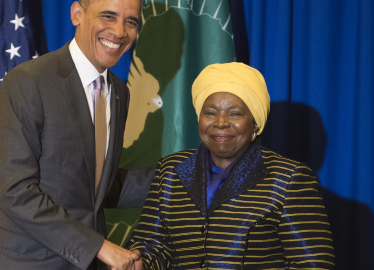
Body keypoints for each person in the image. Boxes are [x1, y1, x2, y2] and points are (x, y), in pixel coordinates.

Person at [0, 0, 143, 269]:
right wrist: (98, 247)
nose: (120, 31)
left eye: (131, 21)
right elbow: (15, 191)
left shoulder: (119, 92)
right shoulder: (29, 81)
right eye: (108, 16)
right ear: (77, 14)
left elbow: (92, 185)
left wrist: (186, 175)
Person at [128, 62, 335, 269]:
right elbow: (152, 246)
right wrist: (141, 262)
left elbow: (313, 265)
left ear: (255, 123)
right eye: (210, 112)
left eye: (234, 113)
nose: (220, 122)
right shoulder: (170, 170)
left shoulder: (288, 178)